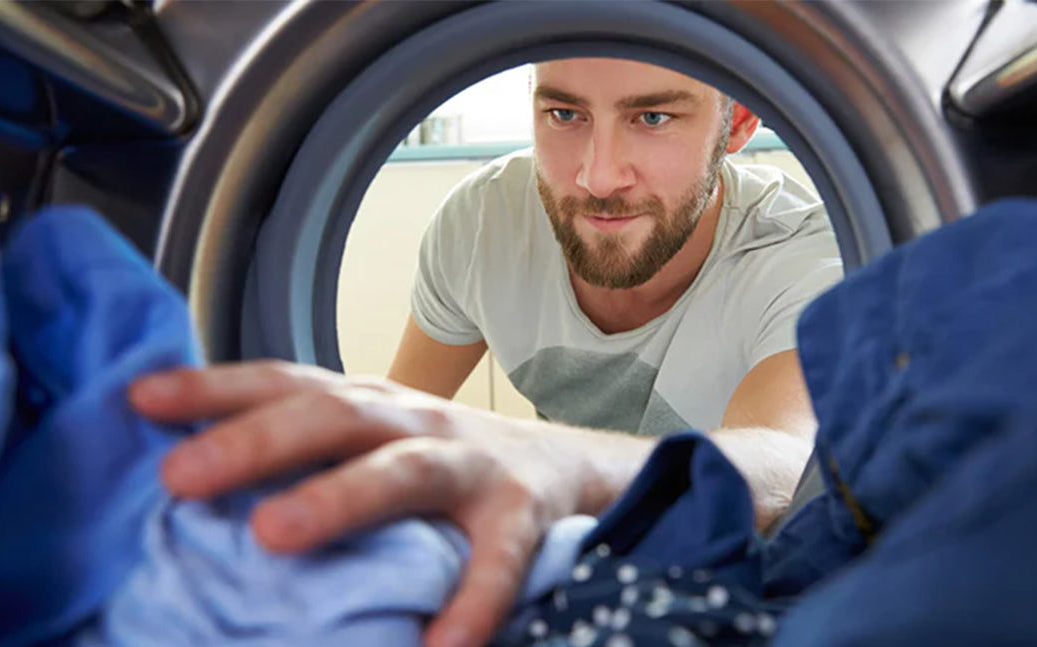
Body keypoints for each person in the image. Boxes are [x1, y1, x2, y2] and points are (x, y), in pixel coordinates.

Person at [128, 58, 842, 647]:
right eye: (564, 115)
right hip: (550, 561)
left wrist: (549, 457)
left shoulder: (797, 256)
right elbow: (408, 418)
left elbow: (784, 465)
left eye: (652, 117)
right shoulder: (481, 222)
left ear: (738, 123)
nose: (598, 176)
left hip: (720, 569)